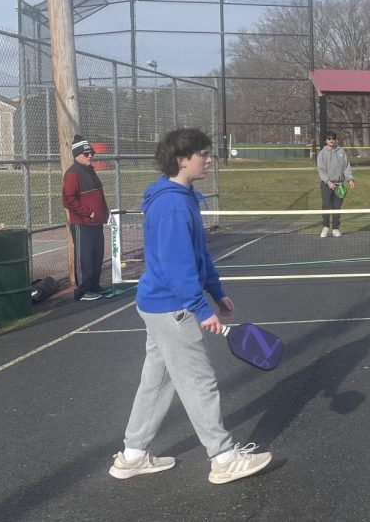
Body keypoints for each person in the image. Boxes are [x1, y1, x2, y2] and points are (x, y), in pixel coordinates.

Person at [110, 128, 272, 485]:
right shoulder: (171, 205)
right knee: (200, 382)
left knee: (158, 380)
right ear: (183, 160)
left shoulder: (184, 197)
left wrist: (216, 290)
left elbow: (197, 253)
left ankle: (133, 455)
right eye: (203, 153)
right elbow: (176, 264)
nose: (209, 159)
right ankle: (223, 458)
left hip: (162, 304)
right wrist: (200, 309)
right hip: (172, 308)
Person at [61, 134, 111, 301]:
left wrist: (105, 212)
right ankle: (82, 290)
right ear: (77, 155)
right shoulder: (72, 174)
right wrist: (88, 212)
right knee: (84, 256)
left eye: (91, 154)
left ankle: (94, 284)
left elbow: (99, 195)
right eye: (86, 154)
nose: (90, 157)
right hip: (82, 223)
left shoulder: (90, 171)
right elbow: (68, 199)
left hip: (96, 222)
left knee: (97, 254)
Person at [316, 131, 355, 237]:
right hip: (326, 185)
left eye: (333, 138)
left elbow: (346, 166)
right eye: (329, 138)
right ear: (325, 141)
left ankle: (336, 228)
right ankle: (325, 227)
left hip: (339, 185)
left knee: (337, 207)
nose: (331, 140)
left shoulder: (341, 151)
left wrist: (350, 179)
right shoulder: (321, 154)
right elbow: (321, 170)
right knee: (326, 206)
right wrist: (328, 182)